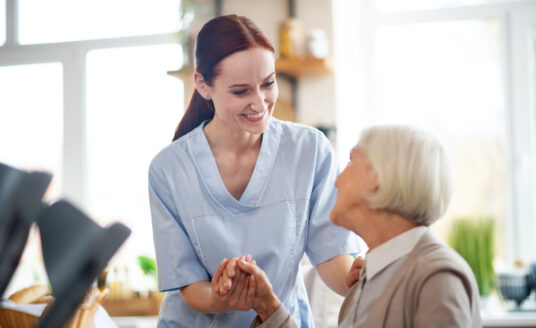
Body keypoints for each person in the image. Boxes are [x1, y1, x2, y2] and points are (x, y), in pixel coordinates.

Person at [148, 14, 359, 327]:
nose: (260, 103)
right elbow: (190, 286)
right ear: (203, 86)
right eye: (240, 91)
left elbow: (331, 254)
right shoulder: (168, 169)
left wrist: (357, 279)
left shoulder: (309, 150)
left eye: (268, 84)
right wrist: (222, 296)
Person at [233, 125, 482, 327]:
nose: (338, 180)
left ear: (377, 179)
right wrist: (267, 305)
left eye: (351, 163)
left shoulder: (437, 278)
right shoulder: (367, 280)